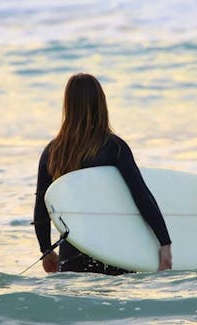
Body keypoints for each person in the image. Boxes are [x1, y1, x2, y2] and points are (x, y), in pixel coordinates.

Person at [33, 73, 172, 275]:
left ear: (68, 106)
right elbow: (141, 196)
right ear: (101, 103)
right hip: (113, 250)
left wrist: (46, 250)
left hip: (72, 254)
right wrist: (164, 242)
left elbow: (41, 208)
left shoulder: (52, 152)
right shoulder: (114, 147)